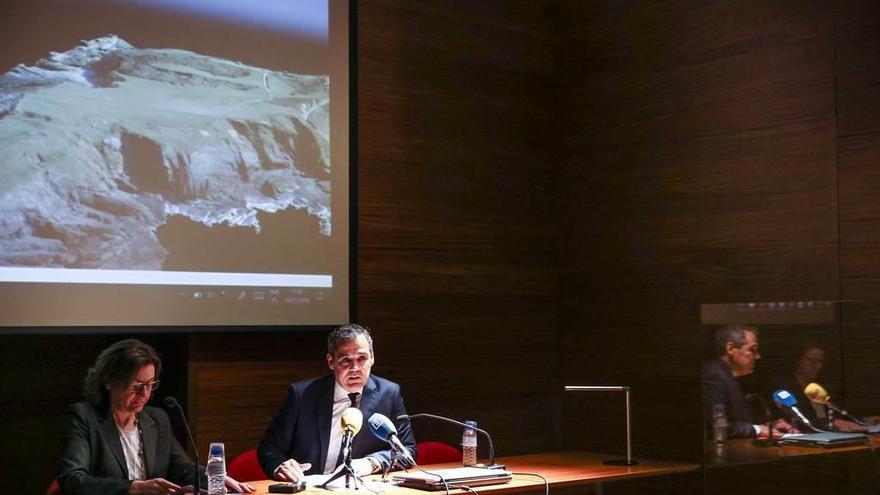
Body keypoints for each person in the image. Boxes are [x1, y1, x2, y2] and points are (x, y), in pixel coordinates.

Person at [58, 339, 254, 495]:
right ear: (109, 381)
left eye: (151, 384)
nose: (145, 394)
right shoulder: (84, 417)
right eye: (135, 386)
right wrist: (135, 487)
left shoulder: (157, 419)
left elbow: (182, 468)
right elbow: (73, 480)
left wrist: (213, 478)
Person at [258, 323, 416, 482]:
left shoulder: (388, 393)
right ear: (331, 361)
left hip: (362, 487)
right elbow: (269, 449)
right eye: (346, 360)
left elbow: (407, 450)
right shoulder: (302, 395)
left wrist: (370, 463)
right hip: (310, 488)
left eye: (362, 359)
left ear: (372, 357)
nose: (355, 368)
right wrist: (280, 466)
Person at [702, 324, 796, 439]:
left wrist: (769, 426)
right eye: (752, 350)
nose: (758, 357)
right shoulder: (714, 376)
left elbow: (738, 421)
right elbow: (717, 427)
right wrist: (757, 429)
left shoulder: (728, 376)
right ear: (730, 348)